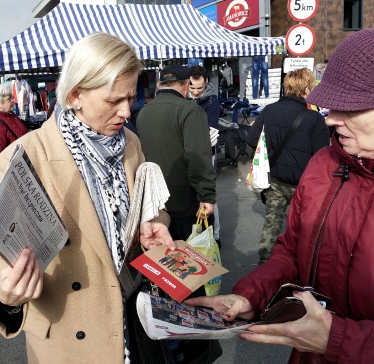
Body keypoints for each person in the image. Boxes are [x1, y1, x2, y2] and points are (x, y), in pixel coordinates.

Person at [0, 32, 175, 364]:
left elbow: (150, 205)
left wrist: (154, 222)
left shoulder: (130, 143)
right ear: (76, 95)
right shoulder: (26, 157)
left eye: (131, 97)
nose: (127, 111)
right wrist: (7, 297)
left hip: (136, 321)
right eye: (114, 100)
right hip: (72, 340)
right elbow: (3, 251)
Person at [185, 28, 374, 363]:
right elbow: (292, 253)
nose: (332, 119)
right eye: (332, 106)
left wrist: (338, 340)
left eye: (350, 107)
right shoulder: (323, 164)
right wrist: (252, 295)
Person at [246, 67, 330, 263]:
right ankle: (299, 265)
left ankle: (265, 263)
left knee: (272, 223)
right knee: (302, 227)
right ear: (307, 89)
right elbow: (321, 155)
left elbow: (251, 140)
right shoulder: (314, 118)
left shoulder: (269, 110)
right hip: (302, 185)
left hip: (273, 179)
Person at [136, 64, 216, 242]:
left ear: (159, 85)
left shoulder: (143, 112)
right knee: (194, 262)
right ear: (186, 85)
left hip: (155, 203)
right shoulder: (191, 111)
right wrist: (207, 195)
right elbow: (198, 158)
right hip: (185, 202)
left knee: (166, 261)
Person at [189, 65, 222, 247]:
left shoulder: (211, 102)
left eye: (199, 88)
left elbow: (211, 130)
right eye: (192, 88)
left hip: (207, 153)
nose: (194, 92)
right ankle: (198, 233)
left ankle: (215, 236)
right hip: (189, 153)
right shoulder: (184, 99)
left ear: (206, 82)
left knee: (209, 195)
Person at [0, 83, 28, 188]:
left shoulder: (10, 115)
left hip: (23, 175)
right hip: (14, 183)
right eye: (9, 98)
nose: (13, 100)